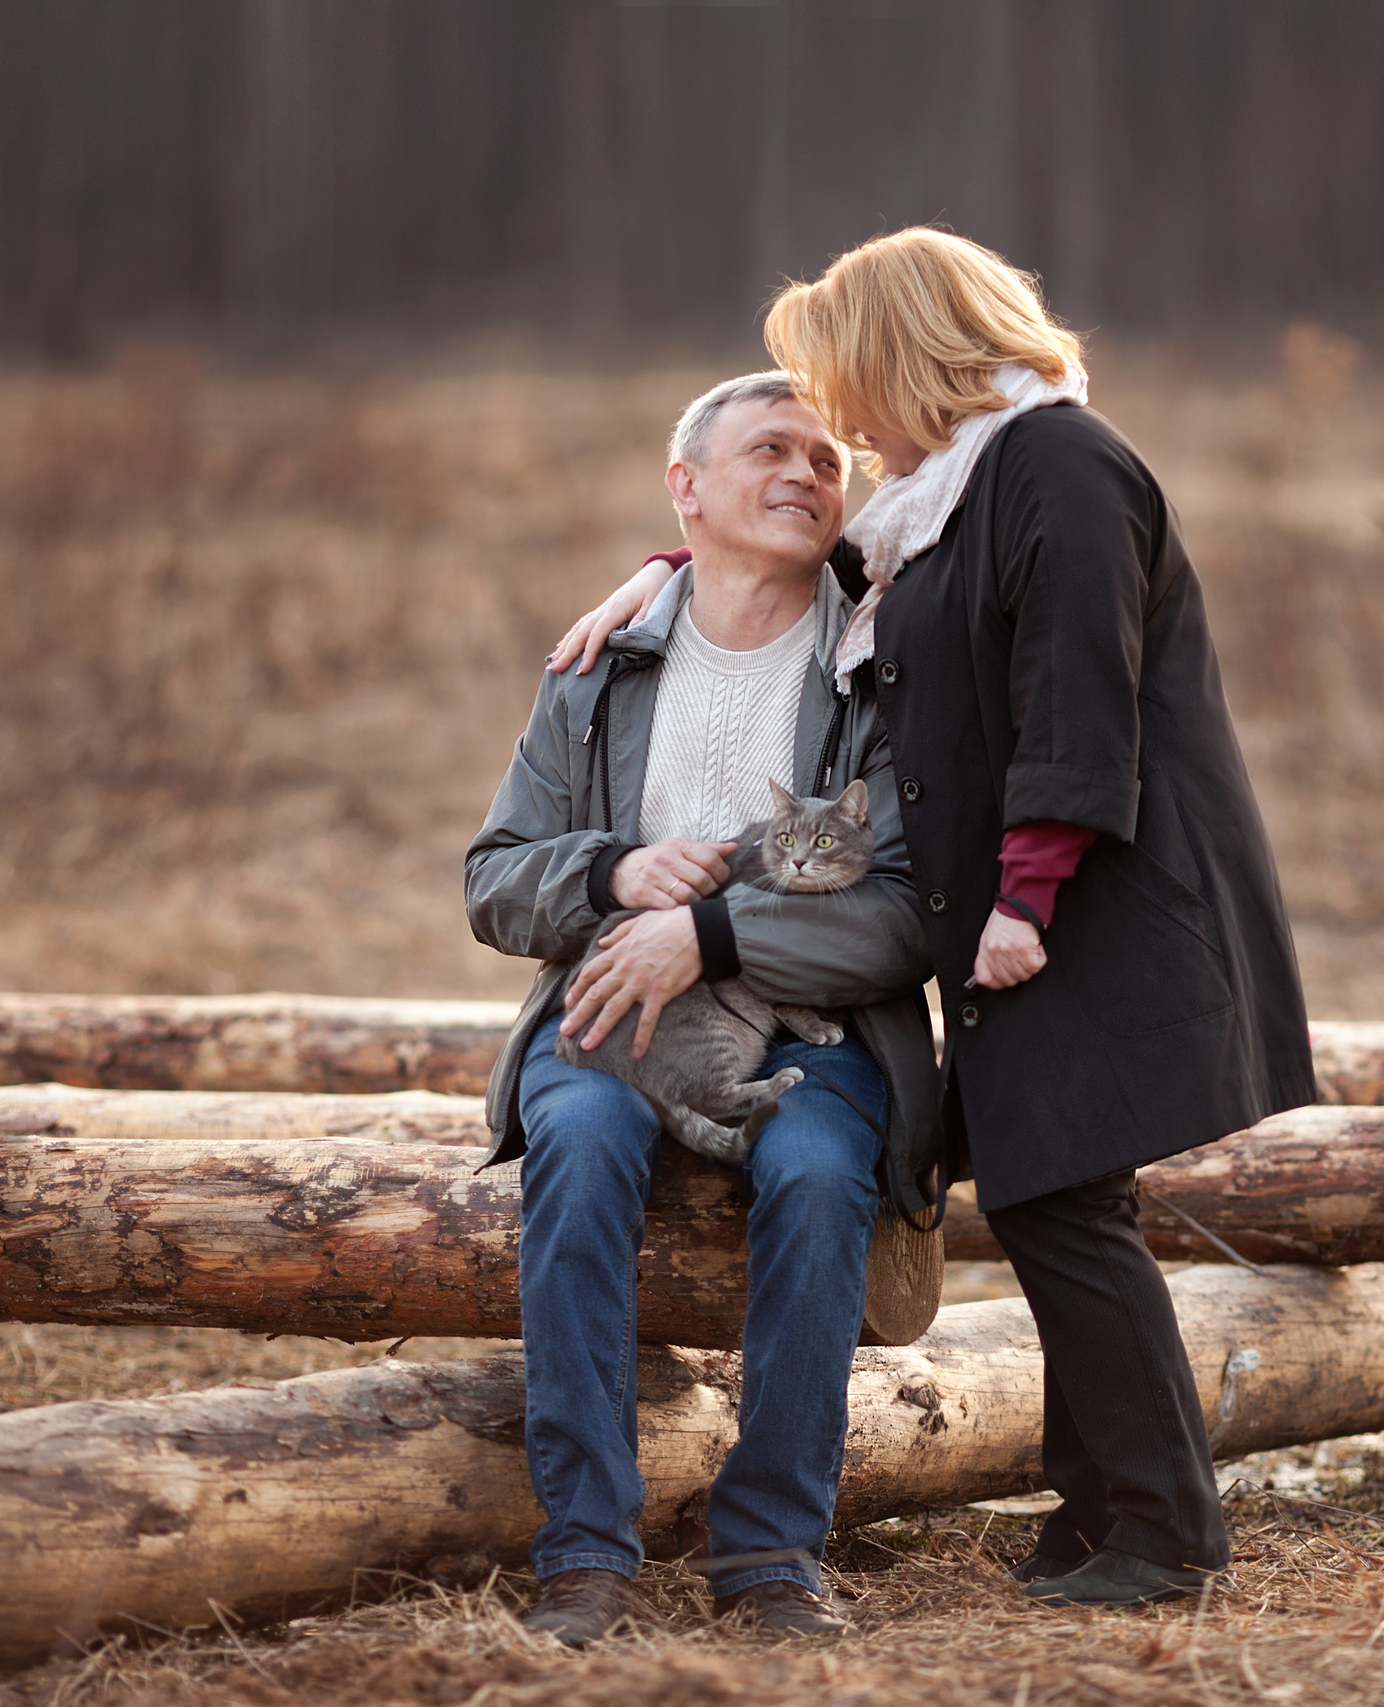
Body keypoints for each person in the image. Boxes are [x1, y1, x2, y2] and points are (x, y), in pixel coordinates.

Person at [551, 229, 1315, 1608]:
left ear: (905, 348)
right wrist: (664, 572)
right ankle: (1097, 1512)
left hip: (1096, 896)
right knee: (1052, 1197)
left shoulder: (1060, 467)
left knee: (1065, 1204)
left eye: (847, 383)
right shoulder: (955, 492)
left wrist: (1024, 895)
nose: (840, 423)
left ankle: (1164, 1529)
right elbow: (833, 570)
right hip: (1027, 909)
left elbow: (1080, 704)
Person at [465, 373, 940, 1645]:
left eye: (825, 460)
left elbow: (902, 910)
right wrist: (611, 872)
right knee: (574, 1150)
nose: (803, 473)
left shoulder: (880, 667)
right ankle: (583, 1554)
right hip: (614, 1010)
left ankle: (773, 1557)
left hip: (821, 1031)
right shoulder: (599, 667)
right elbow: (493, 879)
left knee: (823, 1172)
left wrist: (711, 931)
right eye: (768, 451)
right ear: (686, 489)